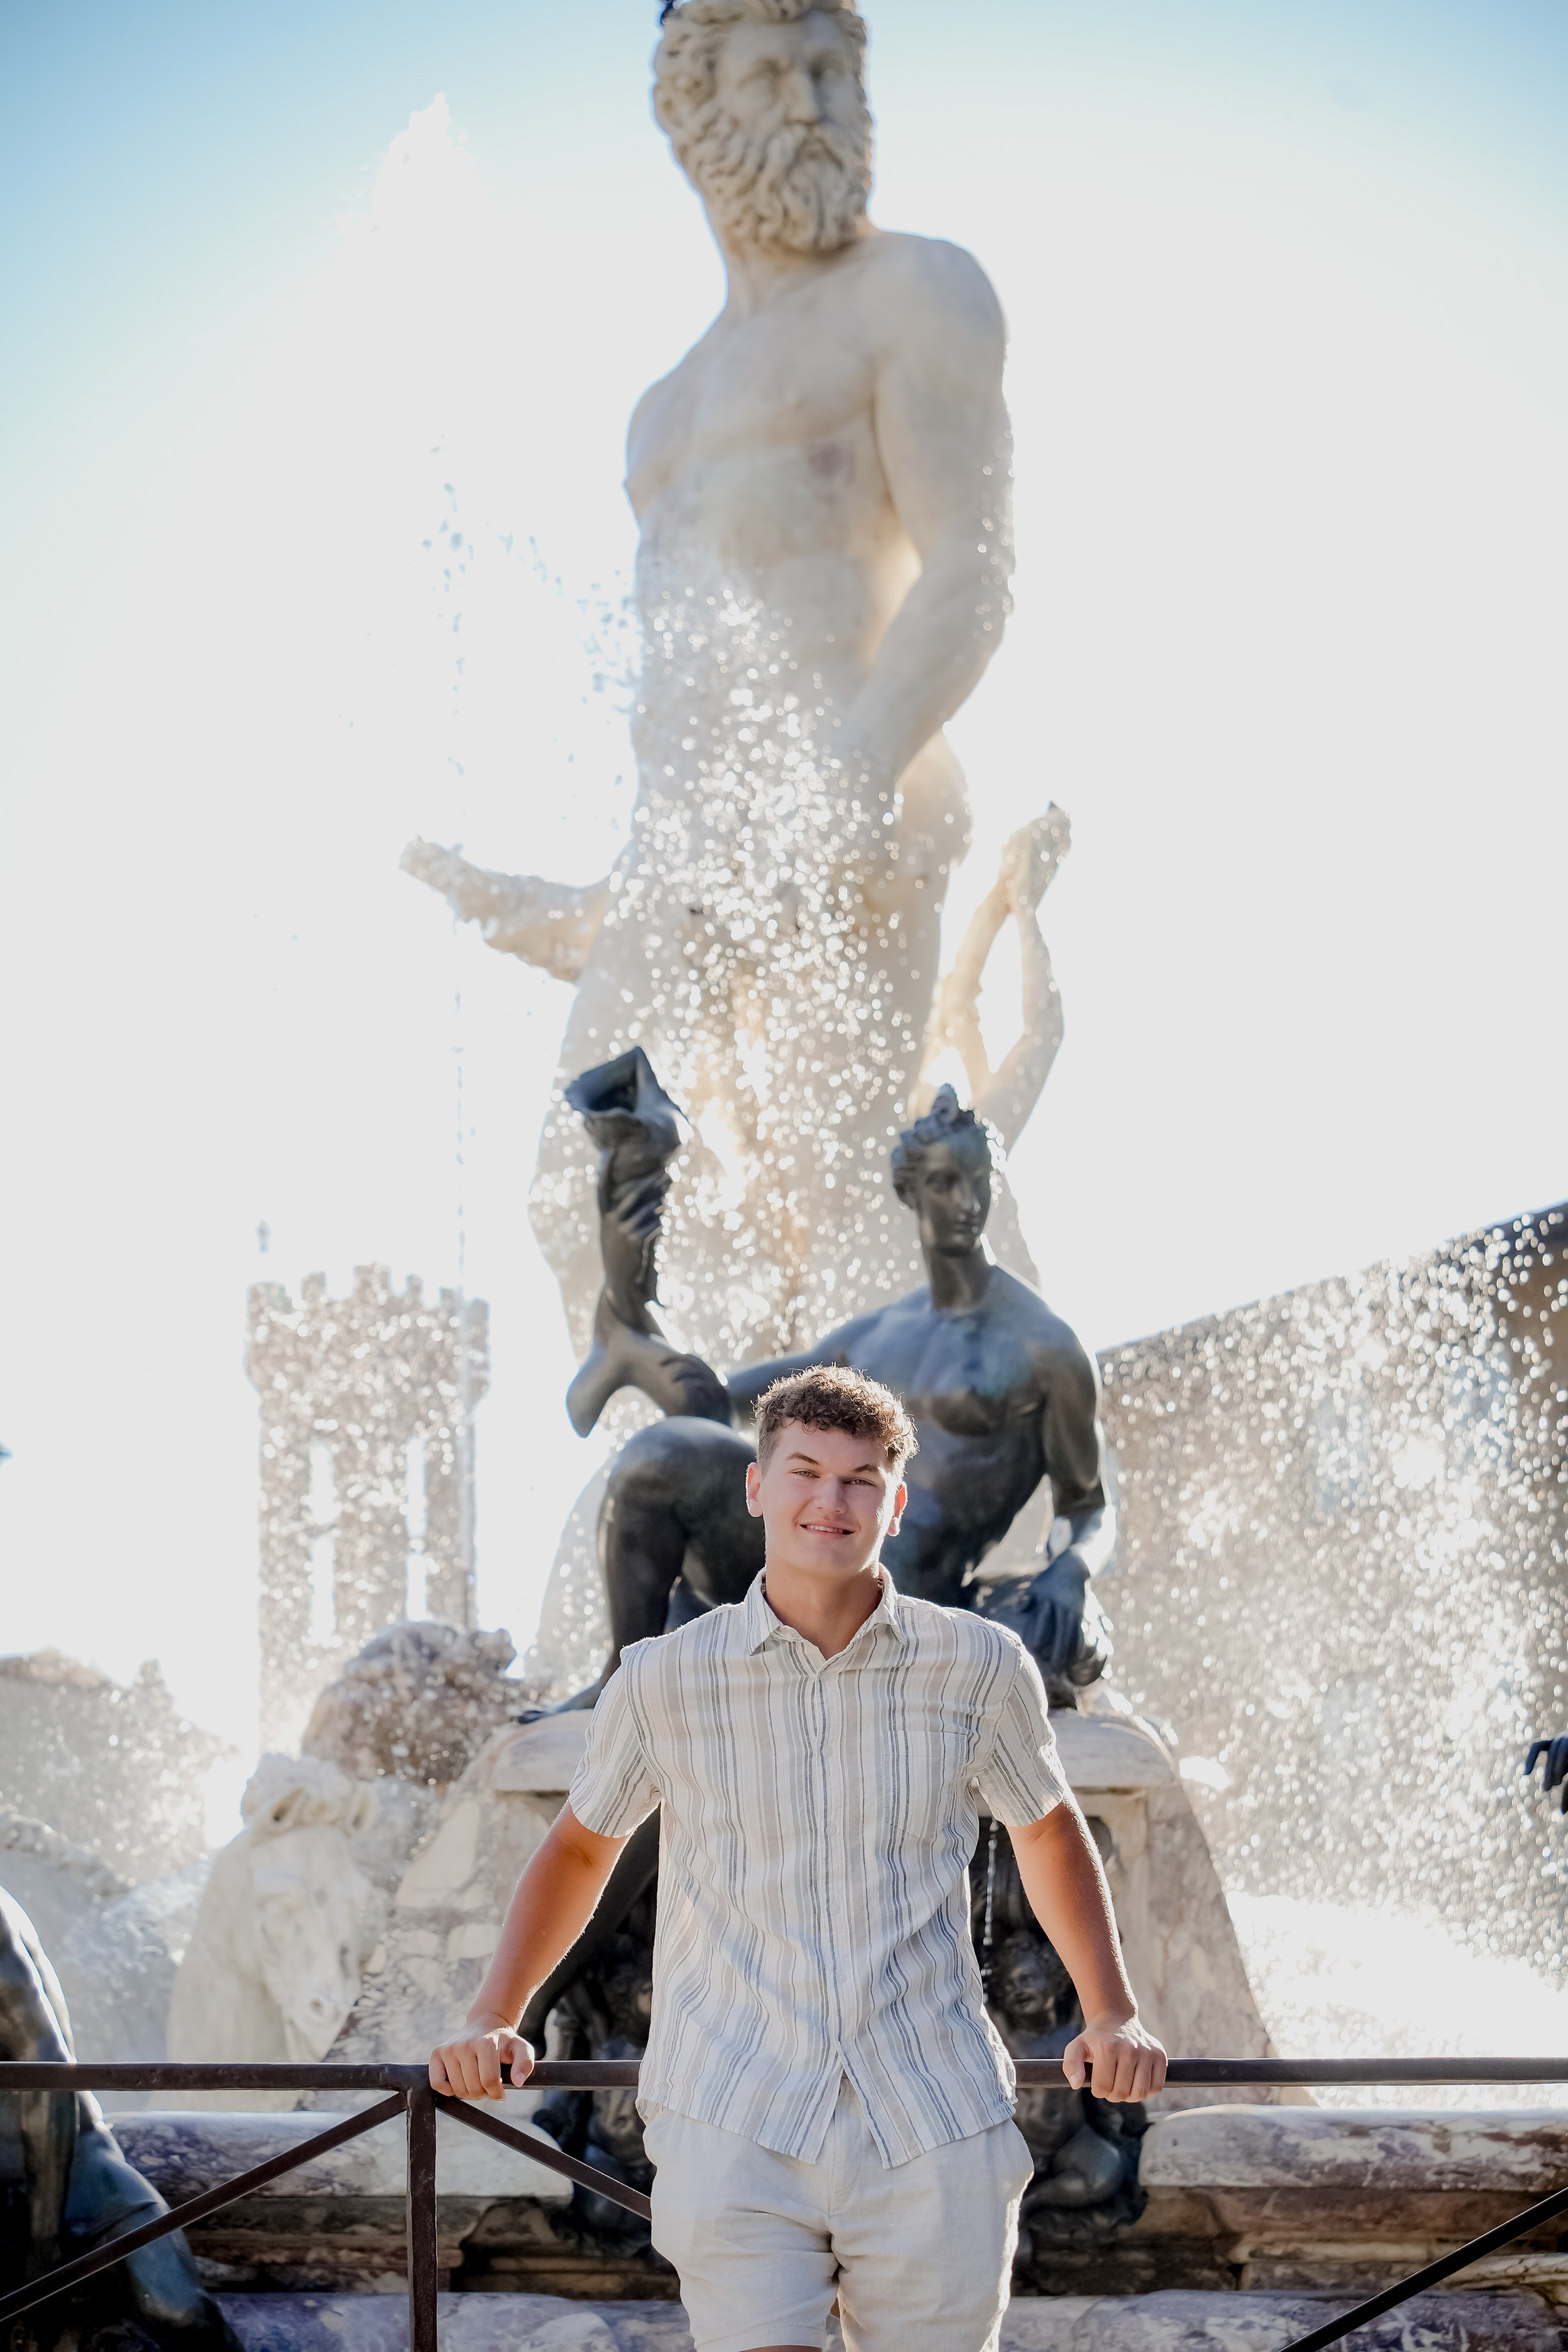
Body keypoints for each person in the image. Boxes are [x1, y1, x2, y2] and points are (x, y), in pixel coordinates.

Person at [404, 0, 1022, 1366]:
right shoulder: (661, 413)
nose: (809, 105)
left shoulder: (914, 291)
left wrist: (849, 775)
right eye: (772, 72)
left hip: (845, 809)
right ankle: (710, 1502)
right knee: (583, 1193)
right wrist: (588, 899)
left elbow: (971, 571)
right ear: (692, 115)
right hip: (685, 854)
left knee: (844, 1178)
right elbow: (682, 703)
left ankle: (940, 1521)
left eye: (831, 70)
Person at [430, 1365, 1166, 2352]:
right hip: (733, 2112)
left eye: (862, 1480)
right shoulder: (664, 1678)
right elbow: (579, 1848)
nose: (832, 1500)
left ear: (895, 1504)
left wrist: (1112, 2009)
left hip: (933, 2111)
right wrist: (495, 2013)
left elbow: (1047, 1829)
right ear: (757, 1489)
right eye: (806, 1471)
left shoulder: (981, 1664)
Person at [571, 1079, 1115, 1705]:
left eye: (978, 1181)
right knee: (661, 1455)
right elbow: (711, 1405)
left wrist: (1070, 1572)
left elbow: (1088, 1506)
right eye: (944, 1184)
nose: (966, 1203)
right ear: (910, 1192)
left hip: (904, 1592)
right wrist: (634, 1315)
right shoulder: (872, 1340)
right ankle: (622, 1685)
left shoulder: (1041, 1345)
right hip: (806, 1553)